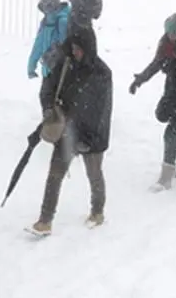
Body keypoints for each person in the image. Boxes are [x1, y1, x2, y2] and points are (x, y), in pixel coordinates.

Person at [28, 30, 113, 236]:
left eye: (78, 49)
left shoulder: (101, 73)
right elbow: (48, 86)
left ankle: (97, 212)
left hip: (93, 134)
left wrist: (88, 138)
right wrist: (48, 107)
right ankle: (45, 220)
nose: (74, 52)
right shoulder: (65, 64)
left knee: (94, 173)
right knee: (55, 174)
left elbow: (101, 110)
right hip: (67, 129)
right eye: (72, 48)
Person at [129, 10, 176, 191]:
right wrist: (140, 79)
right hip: (173, 92)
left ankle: (166, 177)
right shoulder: (166, 43)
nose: (171, 35)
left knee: (171, 132)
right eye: (169, 32)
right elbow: (157, 63)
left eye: (174, 31)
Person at [27, 0, 71, 82]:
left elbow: (64, 46)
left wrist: (52, 56)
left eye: (49, 6)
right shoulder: (45, 23)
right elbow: (38, 45)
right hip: (47, 70)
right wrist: (31, 65)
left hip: (60, 71)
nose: (47, 10)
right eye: (45, 7)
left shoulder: (62, 22)